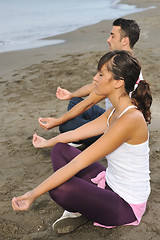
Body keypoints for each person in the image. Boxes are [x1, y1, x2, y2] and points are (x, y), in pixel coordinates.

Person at [12, 50, 152, 235]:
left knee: (59, 189)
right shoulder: (114, 111)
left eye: (101, 74)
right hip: (109, 182)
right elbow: (77, 133)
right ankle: (85, 205)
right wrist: (48, 142)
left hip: (125, 205)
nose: (95, 78)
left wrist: (32, 195)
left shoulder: (130, 119)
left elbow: (80, 162)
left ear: (118, 82)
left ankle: (83, 207)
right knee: (60, 149)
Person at [38, 18, 143, 147]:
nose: (108, 40)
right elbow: (94, 86)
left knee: (66, 125)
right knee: (75, 101)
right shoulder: (127, 63)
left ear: (124, 40)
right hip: (111, 115)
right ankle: (84, 132)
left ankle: (86, 136)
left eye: (112, 36)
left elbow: (89, 102)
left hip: (119, 123)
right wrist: (71, 94)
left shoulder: (121, 70)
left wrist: (56, 121)